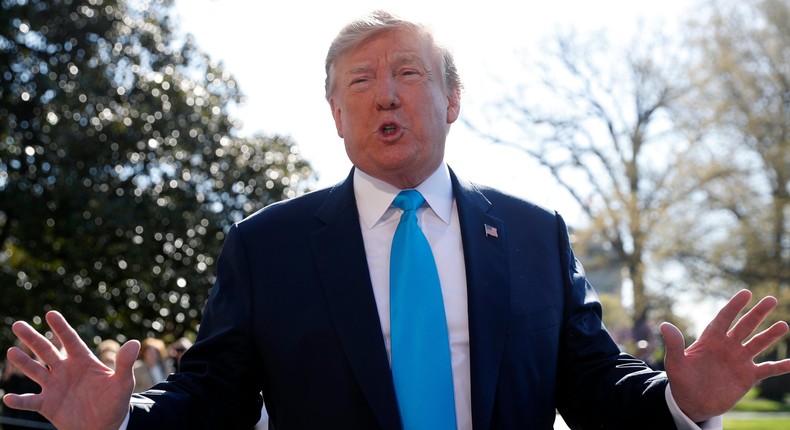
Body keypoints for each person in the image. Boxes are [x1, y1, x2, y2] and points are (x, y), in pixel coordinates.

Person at [3, 10, 790, 430]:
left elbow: (592, 389)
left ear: (451, 101)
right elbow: (210, 401)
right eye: (360, 81)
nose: (385, 94)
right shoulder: (265, 246)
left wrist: (680, 401)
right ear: (336, 115)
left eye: (408, 73)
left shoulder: (533, 235)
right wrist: (120, 425)